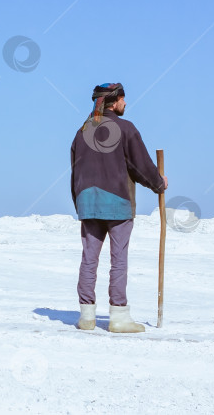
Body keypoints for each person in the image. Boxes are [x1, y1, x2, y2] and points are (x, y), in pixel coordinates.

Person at [69, 83, 168, 333]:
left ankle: (87, 317)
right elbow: (140, 165)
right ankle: (119, 318)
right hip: (117, 201)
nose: (126, 103)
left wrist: (80, 202)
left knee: (89, 258)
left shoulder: (81, 132)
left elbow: (75, 171)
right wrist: (158, 183)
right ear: (114, 102)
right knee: (118, 259)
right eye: (123, 99)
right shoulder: (125, 128)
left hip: (87, 201)